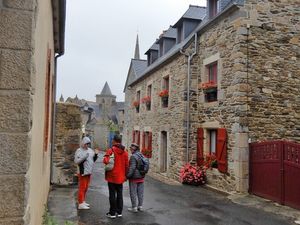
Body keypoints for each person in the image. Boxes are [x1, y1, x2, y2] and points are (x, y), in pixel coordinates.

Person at [103, 135, 129, 219]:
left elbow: (105, 161)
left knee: (112, 195)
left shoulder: (111, 150)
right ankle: (119, 212)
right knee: (120, 194)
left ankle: (112, 213)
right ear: (120, 141)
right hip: (121, 177)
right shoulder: (125, 152)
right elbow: (127, 166)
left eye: (112, 141)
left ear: (114, 141)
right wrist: (126, 176)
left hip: (112, 176)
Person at [74, 136, 99, 210]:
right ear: (83, 143)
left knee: (86, 188)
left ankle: (83, 201)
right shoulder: (79, 150)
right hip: (83, 172)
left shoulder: (90, 150)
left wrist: (96, 155)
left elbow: (92, 160)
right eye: (86, 144)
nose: (87, 145)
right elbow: (76, 161)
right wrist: (84, 157)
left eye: (88, 144)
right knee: (82, 188)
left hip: (89, 172)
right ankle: (80, 203)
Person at [126, 143, 145, 213]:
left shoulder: (133, 156)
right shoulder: (141, 155)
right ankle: (140, 206)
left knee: (133, 192)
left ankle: (134, 207)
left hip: (134, 178)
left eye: (131, 148)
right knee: (140, 193)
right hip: (141, 176)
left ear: (134, 149)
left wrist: (127, 176)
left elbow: (132, 168)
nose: (130, 149)